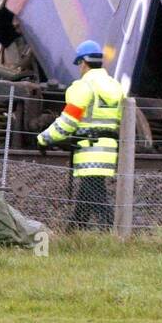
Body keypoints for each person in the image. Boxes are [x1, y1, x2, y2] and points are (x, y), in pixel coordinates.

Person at [36, 40, 123, 229]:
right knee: (88, 192)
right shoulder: (115, 86)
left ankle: (113, 233)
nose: (79, 68)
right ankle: (74, 231)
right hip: (108, 150)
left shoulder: (83, 87)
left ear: (84, 62)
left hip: (89, 150)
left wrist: (44, 139)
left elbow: (67, 123)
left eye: (78, 64)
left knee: (97, 197)